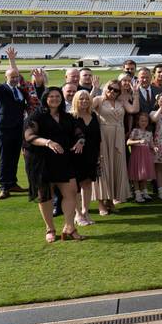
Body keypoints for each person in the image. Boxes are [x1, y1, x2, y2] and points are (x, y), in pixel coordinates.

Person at [23, 86, 85, 242]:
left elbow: (78, 131)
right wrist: (47, 142)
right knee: (45, 195)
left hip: (63, 159)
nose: (55, 99)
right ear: (45, 98)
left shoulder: (66, 116)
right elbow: (29, 136)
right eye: (51, 96)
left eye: (58, 96)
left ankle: (70, 228)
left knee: (70, 192)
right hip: (42, 161)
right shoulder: (36, 116)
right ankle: (50, 229)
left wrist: (81, 141)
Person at [0, 54, 30, 199]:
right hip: (4, 128)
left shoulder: (20, 91)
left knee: (14, 157)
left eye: (16, 76)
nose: (15, 79)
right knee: (5, 157)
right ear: (6, 78)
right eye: (12, 77)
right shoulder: (1, 89)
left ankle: (12, 183)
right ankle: (4, 187)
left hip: (18, 128)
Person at [92, 80, 135, 214]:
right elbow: (85, 107)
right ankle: (101, 204)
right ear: (106, 87)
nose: (112, 92)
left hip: (118, 136)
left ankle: (110, 201)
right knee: (104, 168)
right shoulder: (98, 100)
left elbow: (133, 110)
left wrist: (137, 94)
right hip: (103, 137)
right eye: (110, 88)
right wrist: (94, 90)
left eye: (116, 90)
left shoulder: (120, 102)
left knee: (116, 168)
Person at [71, 90, 100, 225]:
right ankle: (78, 215)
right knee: (76, 186)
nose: (84, 101)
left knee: (87, 184)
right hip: (76, 155)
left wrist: (100, 154)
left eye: (87, 99)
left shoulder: (93, 115)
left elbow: (98, 137)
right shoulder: (71, 117)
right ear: (76, 100)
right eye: (81, 99)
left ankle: (85, 212)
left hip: (92, 154)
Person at [127, 112, 156, 202]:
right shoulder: (135, 131)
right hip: (137, 156)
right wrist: (138, 141)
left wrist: (154, 147)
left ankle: (145, 192)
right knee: (136, 175)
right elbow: (128, 142)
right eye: (142, 121)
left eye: (146, 121)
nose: (144, 122)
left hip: (146, 156)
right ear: (138, 121)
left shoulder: (149, 132)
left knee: (144, 175)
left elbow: (151, 143)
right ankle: (137, 194)